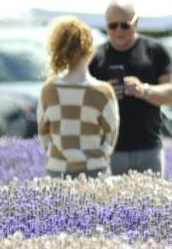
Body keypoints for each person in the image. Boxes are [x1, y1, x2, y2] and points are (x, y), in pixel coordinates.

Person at [89, 0, 172, 175]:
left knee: (154, 202)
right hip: (109, 151)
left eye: (124, 25)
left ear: (136, 22)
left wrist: (143, 90)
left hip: (149, 149)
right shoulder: (95, 57)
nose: (118, 31)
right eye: (112, 26)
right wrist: (105, 92)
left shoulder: (155, 51)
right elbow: (81, 100)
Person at [37, 16, 119, 178]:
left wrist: (59, 154)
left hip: (58, 171)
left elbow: (43, 132)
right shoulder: (103, 92)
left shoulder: (49, 90)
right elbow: (111, 135)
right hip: (94, 171)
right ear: (89, 48)